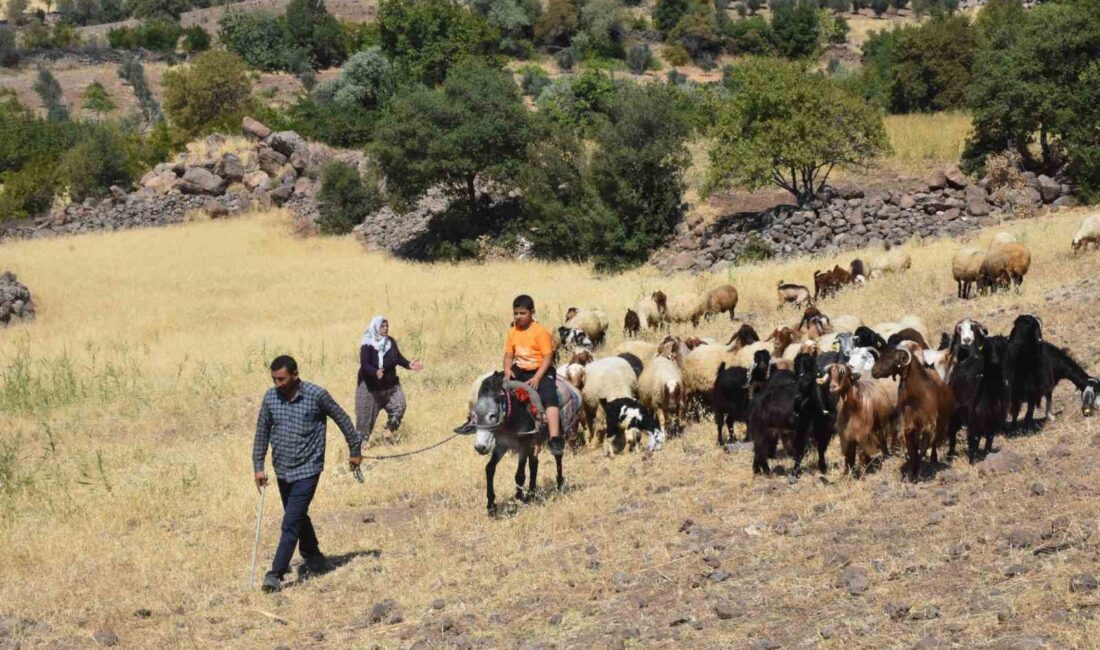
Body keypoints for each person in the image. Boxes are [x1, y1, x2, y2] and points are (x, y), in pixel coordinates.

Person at [252, 355, 363, 593]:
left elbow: (342, 418)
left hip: (308, 468)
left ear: (294, 374)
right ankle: (313, 556)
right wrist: (258, 466)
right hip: (282, 469)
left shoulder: (316, 395)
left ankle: (275, 574)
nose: (277, 384)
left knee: (290, 522)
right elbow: (262, 431)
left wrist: (355, 450)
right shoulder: (271, 398)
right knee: (298, 516)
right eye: (274, 379)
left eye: (281, 379)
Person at [503, 294, 563, 456]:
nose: (518, 317)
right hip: (520, 369)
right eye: (516, 313)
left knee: (549, 396)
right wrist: (508, 370)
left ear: (532, 312)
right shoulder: (512, 332)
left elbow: (548, 357)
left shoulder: (540, 332)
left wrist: (537, 378)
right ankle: (505, 432)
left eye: (522, 313)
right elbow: (509, 355)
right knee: (502, 392)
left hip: (541, 369)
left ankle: (555, 438)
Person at [357, 316, 423, 444]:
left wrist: (409, 365)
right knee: (364, 422)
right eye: (382, 326)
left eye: (387, 325)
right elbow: (364, 365)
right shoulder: (367, 345)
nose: (385, 328)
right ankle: (359, 448)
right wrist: (375, 372)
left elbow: (397, 358)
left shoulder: (390, 342)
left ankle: (389, 432)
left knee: (400, 406)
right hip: (371, 390)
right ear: (376, 328)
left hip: (390, 387)